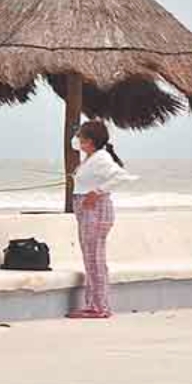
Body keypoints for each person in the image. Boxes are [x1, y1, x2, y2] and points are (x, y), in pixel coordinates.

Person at [67, 119, 136, 319]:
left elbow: (121, 177)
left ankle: (99, 307)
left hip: (94, 211)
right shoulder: (92, 155)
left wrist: (97, 191)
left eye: (81, 137)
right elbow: (72, 143)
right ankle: (94, 304)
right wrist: (80, 128)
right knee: (92, 258)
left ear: (89, 141)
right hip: (89, 210)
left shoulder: (101, 158)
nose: (77, 140)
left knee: (95, 260)